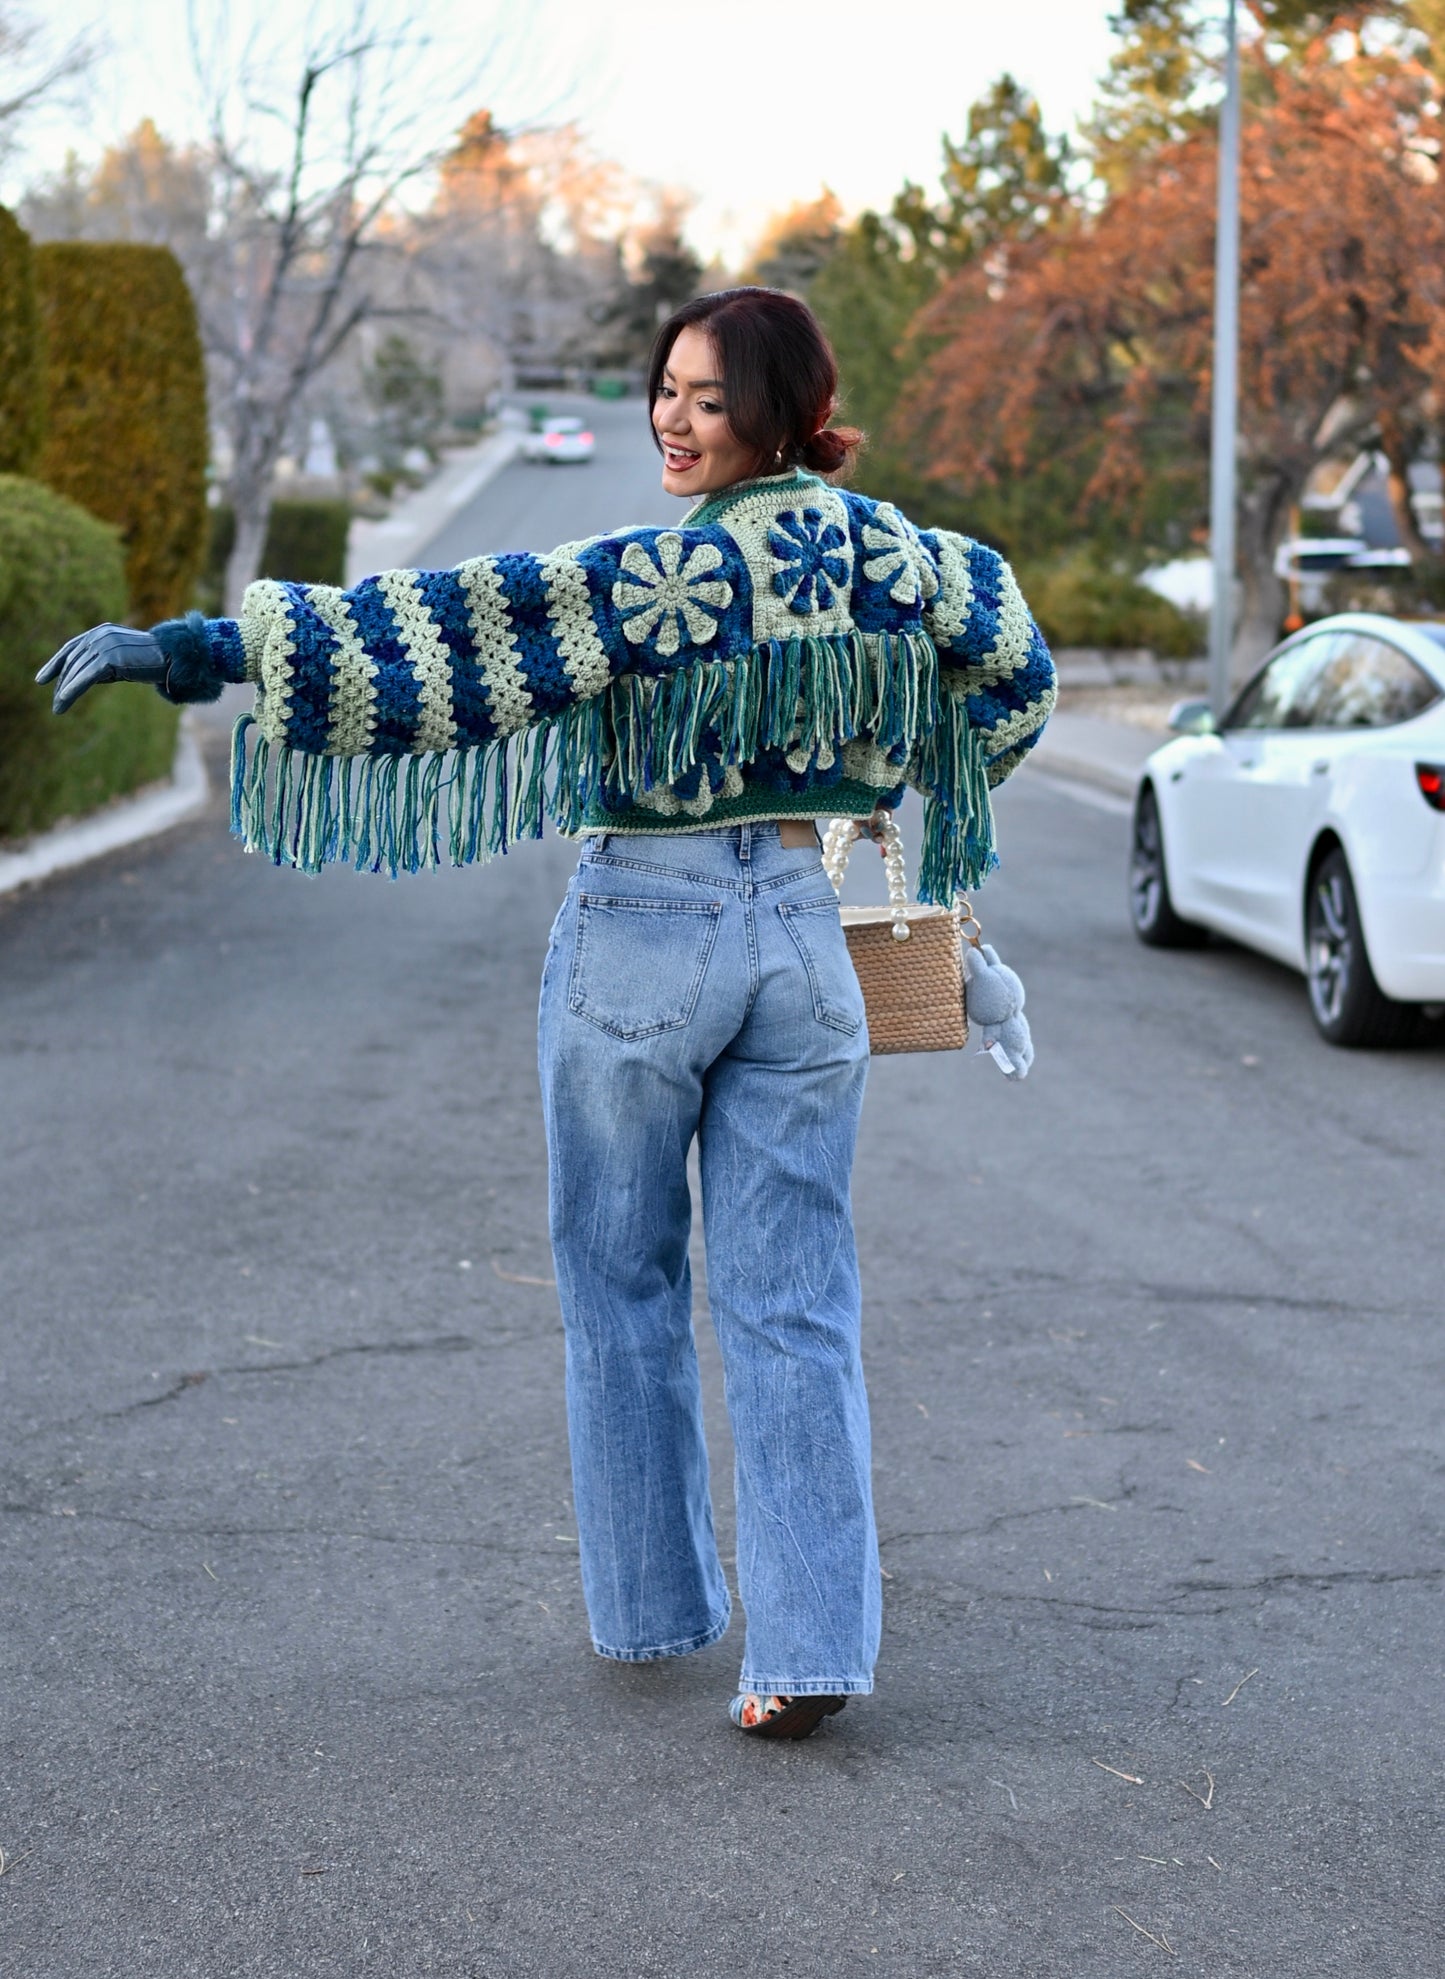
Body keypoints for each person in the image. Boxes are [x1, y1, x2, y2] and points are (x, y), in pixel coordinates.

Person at [39, 287, 1057, 1740]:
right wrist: (871, 754)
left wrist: (194, 647)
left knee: (618, 1277)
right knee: (795, 1303)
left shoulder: (649, 572)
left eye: (707, 398)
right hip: (800, 930)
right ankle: (810, 1647)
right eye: (666, 389)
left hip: (640, 928)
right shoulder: (910, 562)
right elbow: (1013, 688)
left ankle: (653, 1607)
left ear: (777, 409)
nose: (671, 417)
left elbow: (433, 641)